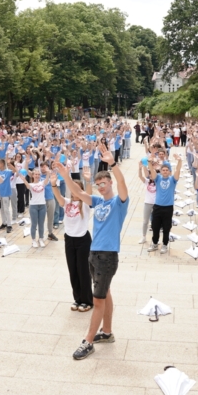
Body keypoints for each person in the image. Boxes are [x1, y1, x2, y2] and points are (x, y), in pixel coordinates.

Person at [56, 144, 128, 361]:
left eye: (103, 183)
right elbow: (77, 193)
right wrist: (66, 175)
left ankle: (88, 341)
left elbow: (123, 184)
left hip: (107, 255)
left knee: (97, 300)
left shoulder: (119, 202)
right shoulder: (97, 201)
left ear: (110, 183)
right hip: (94, 253)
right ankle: (106, 332)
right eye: (97, 184)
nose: (100, 186)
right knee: (105, 293)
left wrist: (112, 163)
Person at [53, 167, 93, 312]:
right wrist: (53, 184)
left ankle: (87, 300)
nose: (75, 192)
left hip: (83, 239)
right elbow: (57, 195)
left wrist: (88, 181)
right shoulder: (67, 202)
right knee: (73, 270)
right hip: (69, 239)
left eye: (78, 189)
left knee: (83, 271)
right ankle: (77, 299)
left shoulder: (85, 203)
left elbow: (89, 194)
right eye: (73, 188)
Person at [148, 155, 182, 254]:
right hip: (157, 206)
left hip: (168, 207)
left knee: (167, 227)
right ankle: (154, 243)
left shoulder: (172, 180)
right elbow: (152, 171)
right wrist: (150, 163)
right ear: (161, 171)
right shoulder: (158, 178)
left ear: (170, 171)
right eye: (163, 170)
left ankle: (165, 244)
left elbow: (178, 171)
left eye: (167, 170)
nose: (165, 171)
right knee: (155, 226)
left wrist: (179, 161)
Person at [137, 160, 156, 245]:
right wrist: (140, 168)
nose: (152, 176)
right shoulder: (147, 181)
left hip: (156, 204)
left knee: (155, 222)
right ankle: (144, 237)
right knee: (145, 221)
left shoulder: (159, 182)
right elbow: (140, 176)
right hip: (147, 203)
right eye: (150, 174)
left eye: (153, 174)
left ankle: (155, 238)